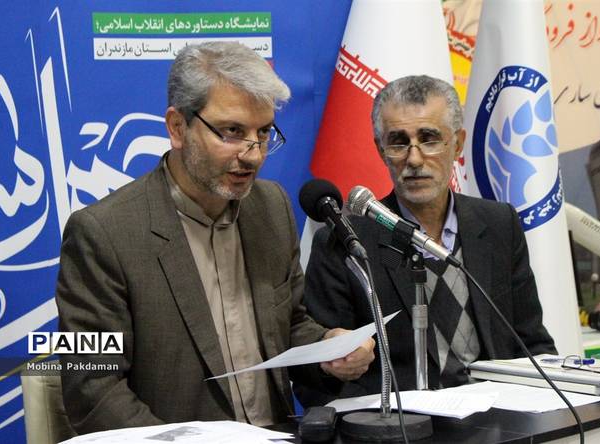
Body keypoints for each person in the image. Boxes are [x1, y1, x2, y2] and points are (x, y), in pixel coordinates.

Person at [55, 42, 374, 434]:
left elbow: (289, 326)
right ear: (177, 127)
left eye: (263, 132)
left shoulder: (271, 207)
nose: (253, 154)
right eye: (232, 132)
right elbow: (93, 390)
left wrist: (328, 349)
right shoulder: (103, 233)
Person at [294, 75, 556, 406]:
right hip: (401, 425)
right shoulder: (347, 242)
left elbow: (531, 344)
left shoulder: (499, 224)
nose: (415, 159)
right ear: (380, 150)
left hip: (500, 416)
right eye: (398, 142)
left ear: (457, 144)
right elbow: (318, 380)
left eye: (429, 139)